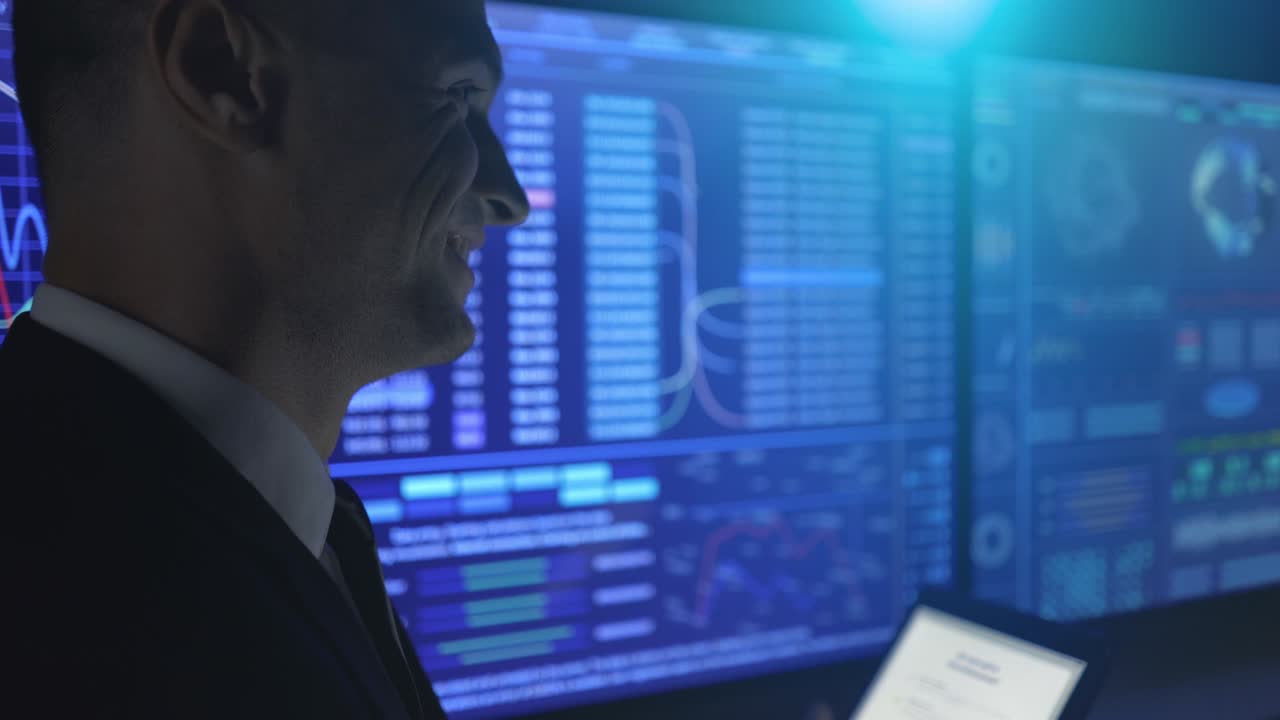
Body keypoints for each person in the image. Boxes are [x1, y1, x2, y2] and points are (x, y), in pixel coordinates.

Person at [0, 0, 527, 717]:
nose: (510, 197)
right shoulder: (66, 620)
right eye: (458, 96)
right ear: (219, 67)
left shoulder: (268, 524)